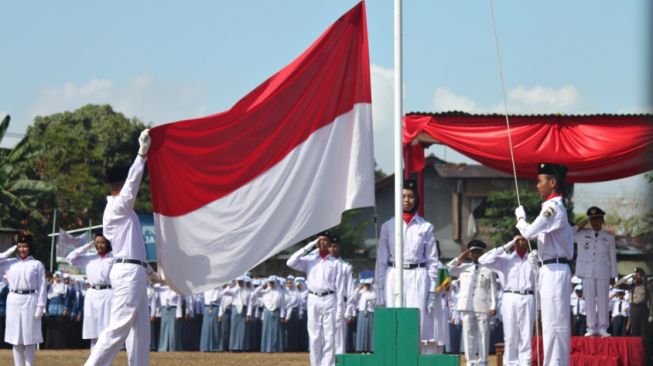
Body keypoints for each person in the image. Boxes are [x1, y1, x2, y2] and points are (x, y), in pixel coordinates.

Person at [84, 129, 162, 366]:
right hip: (127, 272)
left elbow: (135, 250)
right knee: (118, 328)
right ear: (121, 183)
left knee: (140, 333)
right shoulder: (118, 208)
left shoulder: (125, 211)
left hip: (135, 270)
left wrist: (151, 273)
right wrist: (141, 155)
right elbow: (131, 188)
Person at [515, 162, 573, 366]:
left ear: (553, 182)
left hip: (556, 269)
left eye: (540, 181)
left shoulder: (553, 208)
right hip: (549, 267)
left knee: (555, 325)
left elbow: (529, 232)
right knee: (549, 324)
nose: (537, 185)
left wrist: (520, 218)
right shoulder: (551, 207)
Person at [375, 180, 439, 353]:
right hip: (394, 274)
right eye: (403, 196)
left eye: (411, 196)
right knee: (393, 321)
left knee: (417, 322)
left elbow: (433, 261)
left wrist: (432, 292)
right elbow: (381, 260)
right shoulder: (388, 226)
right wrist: (379, 291)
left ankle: (414, 358)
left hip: (418, 274)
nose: (407, 200)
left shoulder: (426, 227)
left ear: (416, 199)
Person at [287, 231, 345, 366]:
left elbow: (340, 288)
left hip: (330, 298)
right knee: (314, 336)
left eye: (325, 240)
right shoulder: (310, 260)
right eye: (320, 240)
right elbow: (290, 262)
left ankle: (329, 364)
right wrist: (310, 245)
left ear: (330, 243)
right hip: (313, 298)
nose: (322, 242)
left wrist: (340, 310)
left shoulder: (336, 263)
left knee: (329, 336)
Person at [478, 235, 535, 366]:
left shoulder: (532, 258)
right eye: (517, 239)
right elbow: (483, 260)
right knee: (510, 336)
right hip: (510, 297)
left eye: (523, 239)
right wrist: (507, 245)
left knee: (526, 337)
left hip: (528, 297)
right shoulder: (506, 259)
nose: (521, 241)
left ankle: (525, 364)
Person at [447, 240, 497, 366]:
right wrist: (459, 258)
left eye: (478, 252)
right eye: (473, 252)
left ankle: (483, 360)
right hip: (467, 305)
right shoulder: (463, 268)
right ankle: (470, 361)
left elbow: (493, 289)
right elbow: (448, 270)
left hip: (483, 305)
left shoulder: (489, 269)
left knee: (484, 334)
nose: (476, 255)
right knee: (468, 334)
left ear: (482, 253)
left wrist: (494, 305)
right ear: (469, 254)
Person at [0, 232, 47, 366]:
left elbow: (42, 287)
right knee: (16, 339)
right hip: (14, 300)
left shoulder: (36, 264)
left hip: (30, 300)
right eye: (19, 246)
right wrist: (10, 251)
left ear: (30, 247)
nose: (22, 249)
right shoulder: (8, 263)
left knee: (30, 339)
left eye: (25, 246)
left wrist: (40, 307)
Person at [573, 206, 617, 337]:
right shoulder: (581, 234)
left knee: (603, 300)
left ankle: (603, 327)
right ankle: (591, 327)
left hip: (603, 271)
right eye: (592, 220)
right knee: (589, 300)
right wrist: (581, 224)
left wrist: (613, 275)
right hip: (587, 272)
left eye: (597, 219)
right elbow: (569, 235)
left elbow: (612, 257)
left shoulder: (608, 237)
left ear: (602, 221)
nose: (595, 222)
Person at [66, 233, 114, 350]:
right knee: (93, 330)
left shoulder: (113, 258)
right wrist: (87, 246)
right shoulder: (89, 258)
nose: (100, 245)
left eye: (102, 242)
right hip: (92, 294)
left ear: (107, 243)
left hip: (108, 293)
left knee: (106, 329)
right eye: (97, 242)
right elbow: (70, 258)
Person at [329, 236, 354, 355]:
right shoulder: (322, 264)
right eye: (330, 246)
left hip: (340, 303)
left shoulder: (346, 266)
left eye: (335, 246)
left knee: (339, 335)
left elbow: (350, 289)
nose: (332, 249)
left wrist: (350, 309)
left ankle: (339, 360)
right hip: (326, 301)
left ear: (340, 248)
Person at [249, 275, 286, 352]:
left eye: (273, 283)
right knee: (267, 331)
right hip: (266, 313)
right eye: (270, 283)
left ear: (276, 283)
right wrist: (263, 285)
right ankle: (267, 348)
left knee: (276, 331)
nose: (272, 284)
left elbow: (282, 305)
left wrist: (282, 316)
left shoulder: (280, 292)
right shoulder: (265, 292)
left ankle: (276, 348)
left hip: (276, 312)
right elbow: (254, 294)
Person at [350, 277, 376, 353]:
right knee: (362, 331)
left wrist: (370, 300)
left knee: (369, 332)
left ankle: (369, 349)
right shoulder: (361, 292)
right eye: (366, 285)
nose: (367, 286)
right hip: (362, 313)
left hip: (370, 312)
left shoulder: (373, 292)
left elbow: (375, 302)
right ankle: (361, 349)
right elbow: (353, 297)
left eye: (368, 285)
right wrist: (359, 288)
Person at [157, 284, 182, 352]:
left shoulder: (176, 289)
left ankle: (172, 347)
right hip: (164, 309)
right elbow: (153, 286)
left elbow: (178, 302)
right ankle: (163, 347)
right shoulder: (161, 289)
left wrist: (178, 314)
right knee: (164, 329)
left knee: (172, 330)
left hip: (173, 309)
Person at [200, 286, 222, 352]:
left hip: (215, 307)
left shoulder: (219, 289)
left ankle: (215, 347)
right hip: (207, 307)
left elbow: (221, 302)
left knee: (215, 328)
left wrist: (220, 313)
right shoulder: (205, 288)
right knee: (206, 328)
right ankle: (204, 347)